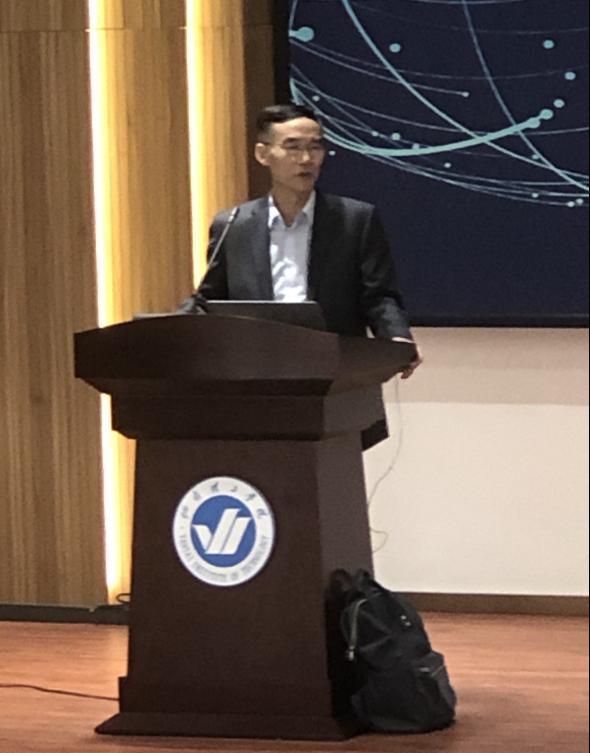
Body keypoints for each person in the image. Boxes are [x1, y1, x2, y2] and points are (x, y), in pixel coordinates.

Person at [180, 103, 423, 384]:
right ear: (263, 154)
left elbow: (379, 296)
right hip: (257, 373)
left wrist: (397, 336)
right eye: (292, 147)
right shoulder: (234, 225)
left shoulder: (354, 220)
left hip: (337, 374)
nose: (306, 159)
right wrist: (166, 329)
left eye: (315, 147)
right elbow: (209, 300)